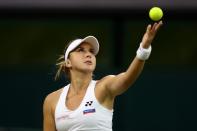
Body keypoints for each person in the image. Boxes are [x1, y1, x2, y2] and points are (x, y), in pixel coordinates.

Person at [43, 21, 163, 131]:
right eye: (81, 50)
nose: (88, 54)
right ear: (68, 62)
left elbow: (127, 78)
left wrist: (144, 48)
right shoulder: (51, 100)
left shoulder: (103, 86)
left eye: (91, 51)